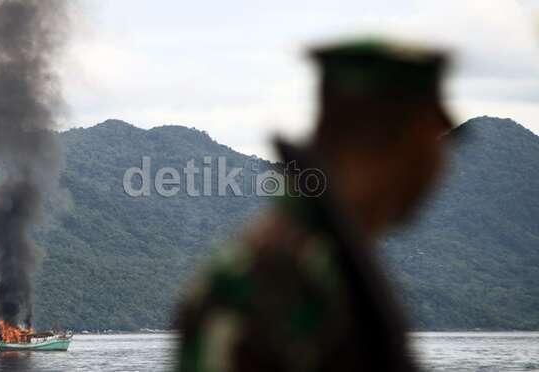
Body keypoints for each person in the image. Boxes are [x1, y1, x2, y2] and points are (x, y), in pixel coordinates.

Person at [175, 38, 453, 372]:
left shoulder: (321, 260)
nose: (443, 165)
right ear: (411, 139)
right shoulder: (284, 276)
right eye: (438, 142)